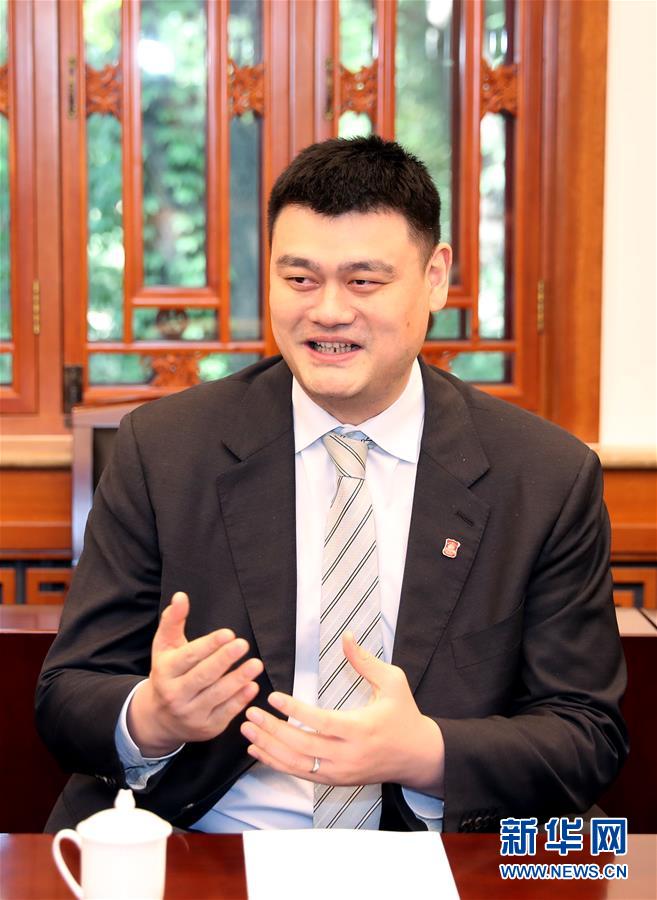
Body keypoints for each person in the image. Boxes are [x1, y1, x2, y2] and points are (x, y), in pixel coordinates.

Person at [36, 136, 627, 834]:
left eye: (364, 281)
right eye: (300, 279)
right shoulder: (164, 450)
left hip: (435, 850)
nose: (327, 311)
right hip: (208, 841)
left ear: (435, 277)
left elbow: (586, 734)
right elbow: (67, 695)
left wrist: (425, 752)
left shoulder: (543, 476)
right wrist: (153, 717)